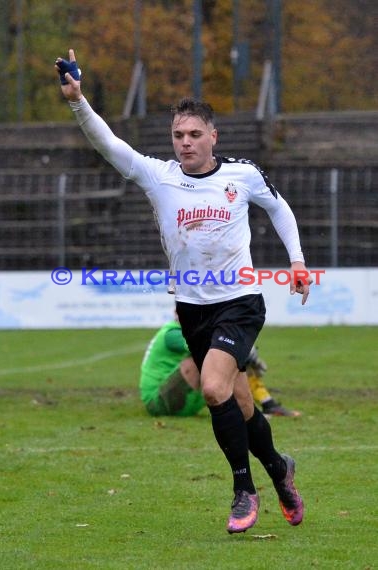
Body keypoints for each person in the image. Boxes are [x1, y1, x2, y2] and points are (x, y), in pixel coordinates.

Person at [56, 49, 312, 534]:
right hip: (192, 309)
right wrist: (77, 101)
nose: (186, 143)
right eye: (178, 135)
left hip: (239, 302)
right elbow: (110, 146)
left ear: (213, 136)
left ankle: (244, 490)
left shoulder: (242, 174)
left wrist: (297, 261)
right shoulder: (160, 177)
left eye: (195, 134)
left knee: (213, 388)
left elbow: (280, 209)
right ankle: (280, 471)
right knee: (239, 404)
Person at [140, 315, 301, 418]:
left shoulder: (179, 330)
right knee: (213, 355)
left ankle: (266, 403)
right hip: (159, 402)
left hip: (177, 399)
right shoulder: (172, 334)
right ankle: (248, 408)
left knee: (225, 353)